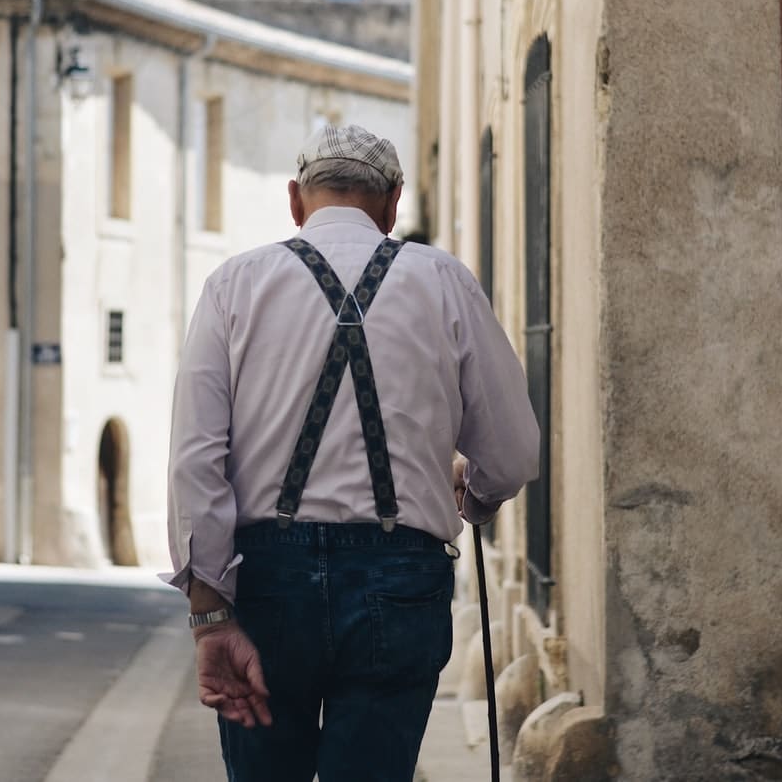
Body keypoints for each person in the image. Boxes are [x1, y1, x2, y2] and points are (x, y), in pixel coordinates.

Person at [163, 124, 539, 781]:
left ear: (294, 199)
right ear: (393, 203)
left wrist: (211, 615)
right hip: (398, 584)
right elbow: (511, 453)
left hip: (267, 583)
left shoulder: (235, 285)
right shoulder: (444, 280)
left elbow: (196, 461)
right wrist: (472, 496)